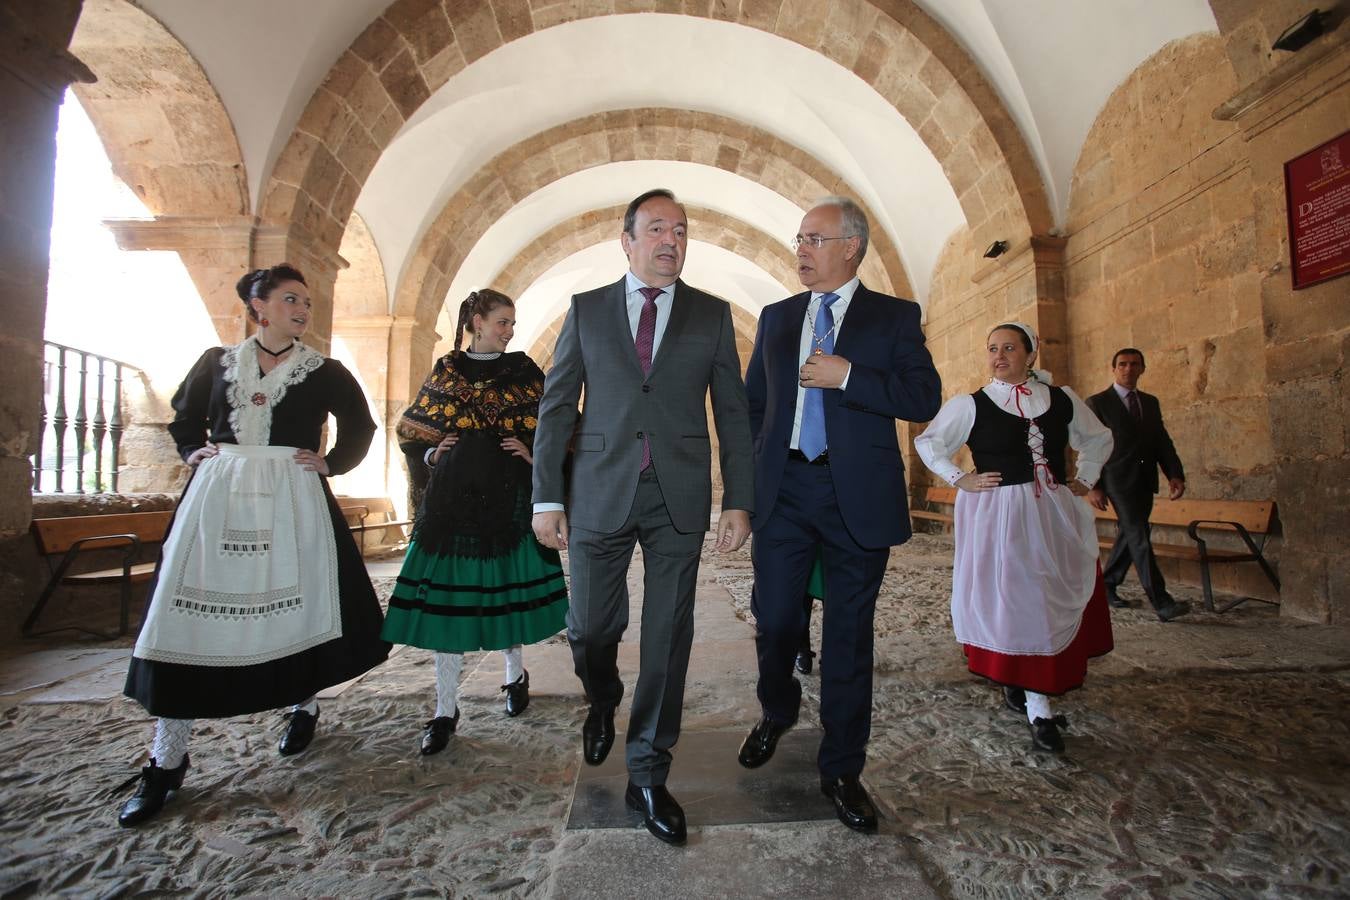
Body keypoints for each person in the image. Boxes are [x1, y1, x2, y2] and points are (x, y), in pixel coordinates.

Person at [117, 264, 391, 826]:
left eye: (307, 303)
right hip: (220, 492)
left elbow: (361, 426)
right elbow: (184, 416)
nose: (302, 310)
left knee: (303, 602)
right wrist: (194, 448)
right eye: (292, 299)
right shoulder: (216, 363)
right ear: (258, 306)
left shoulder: (325, 370)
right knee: (181, 611)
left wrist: (330, 463)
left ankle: (303, 703)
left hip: (293, 496)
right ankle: (165, 759)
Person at [531, 189, 753, 846]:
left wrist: (738, 498)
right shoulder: (587, 310)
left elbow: (734, 414)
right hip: (599, 490)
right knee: (592, 627)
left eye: (681, 230)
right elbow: (556, 406)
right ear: (626, 240)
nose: (670, 240)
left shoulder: (712, 316)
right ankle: (602, 697)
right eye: (656, 229)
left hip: (679, 495)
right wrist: (548, 495)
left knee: (667, 639)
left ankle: (649, 773)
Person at [739, 197, 942, 833]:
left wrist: (849, 375)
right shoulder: (776, 318)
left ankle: (842, 769)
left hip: (856, 494)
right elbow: (753, 409)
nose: (801, 249)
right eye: (799, 239)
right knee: (774, 620)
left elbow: (922, 396)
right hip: (786, 492)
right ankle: (777, 707)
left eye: (815, 239)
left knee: (849, 639)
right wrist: (744, 494)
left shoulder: (893, 317)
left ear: (851, 246)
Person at [915, 322, 1115, 754]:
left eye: (1009, 347)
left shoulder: (1061, 400)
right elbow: (930, 443)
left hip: (1054, 514)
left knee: (1046, 596)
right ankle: (1038, 705)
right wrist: (959, 477)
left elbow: (1098, 438)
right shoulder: (971, 404)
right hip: (1001, 514)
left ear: (1031, 353)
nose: (999, 355)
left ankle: (1025, 684)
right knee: (1018, 598)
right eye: (992, 348)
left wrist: (1085, 478)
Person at [382, 289, 568, 755]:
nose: (510, 330)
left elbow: (560, 421)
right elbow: (411, 428)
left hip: (508, 497)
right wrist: (430, 452)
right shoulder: (447, 369)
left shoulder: (524, 370)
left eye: (512, 322)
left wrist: (535, 454)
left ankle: (513, 676)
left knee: (504, 592)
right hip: (453, 501)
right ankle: (445, 709)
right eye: (503, 321)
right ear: (477, 322)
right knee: (450, 606)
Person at [1086, 349, 1190, 622]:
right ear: (1113, 369)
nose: (1128, 369)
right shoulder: (1098, 403)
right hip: (1116, 480)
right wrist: (1093, 485)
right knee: (1139, 536)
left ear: (1142, 368)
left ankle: (1107, 584)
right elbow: (1089, 446)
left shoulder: (1150, 402)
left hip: (1145, 480)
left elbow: (1161, 442)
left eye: (1134, 364)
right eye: (1122, 364)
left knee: (1131, 534)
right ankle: (1162, 601)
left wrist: (1174, 474)